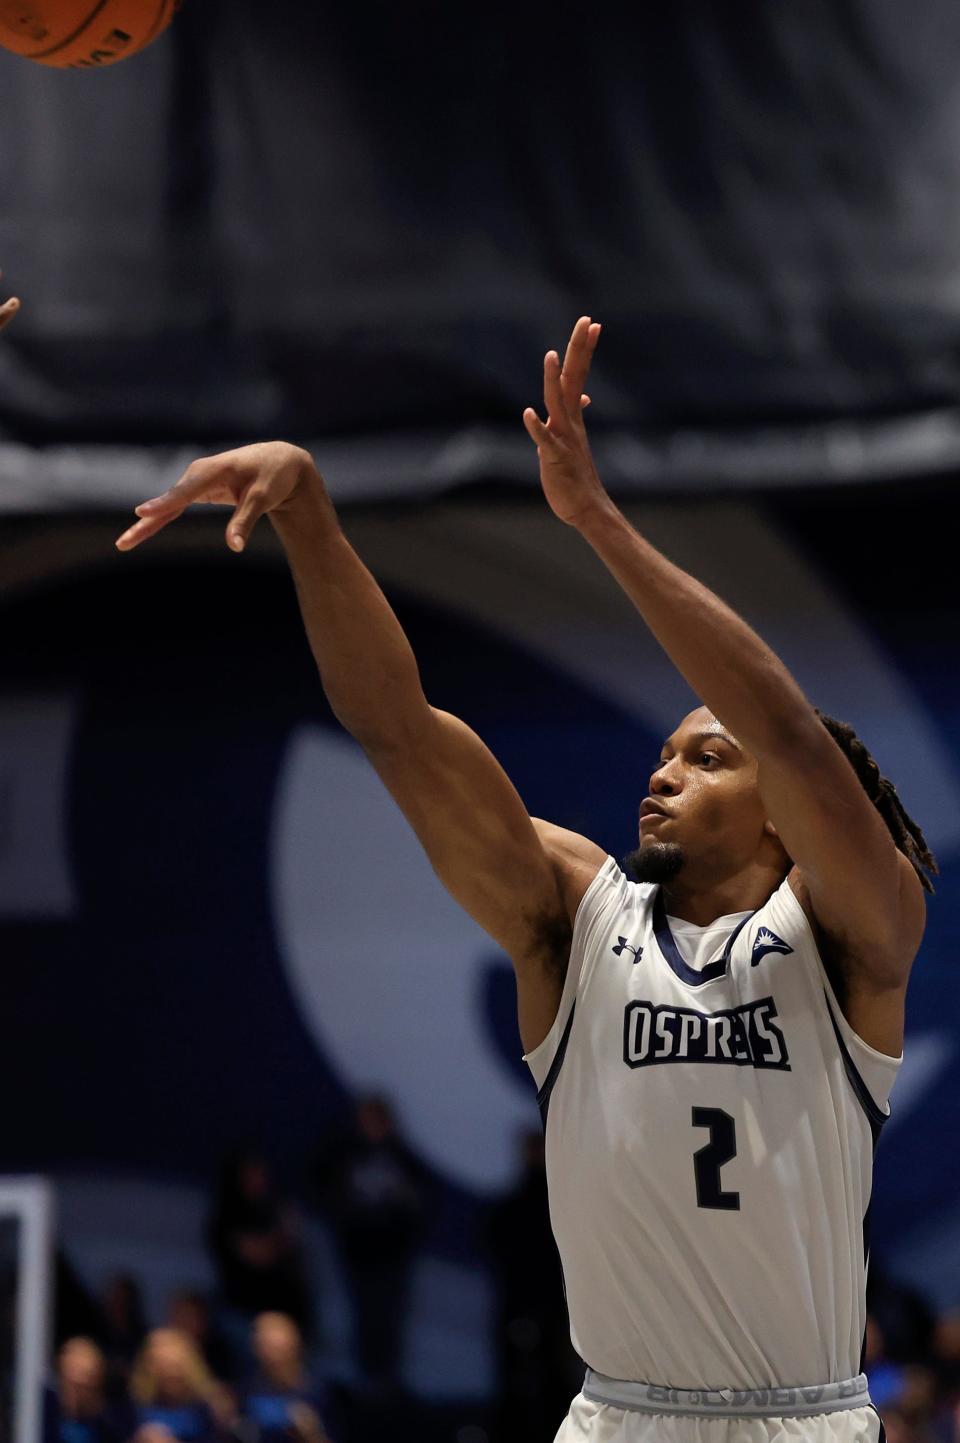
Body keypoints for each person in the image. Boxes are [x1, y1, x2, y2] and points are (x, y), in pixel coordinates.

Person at [117, 317, 936, 1443]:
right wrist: (310, 516)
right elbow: (400, 732)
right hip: (615, 1418)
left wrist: (594, 521)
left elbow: (789, 734)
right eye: (662, 754)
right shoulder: (574, 911)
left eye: (705, 758)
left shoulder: (855, 933)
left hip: (805, 1419)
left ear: (788, 821)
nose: (663, 773)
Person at [314, 1094, 427, 1390]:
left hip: (392, 1254)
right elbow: (326, 1193)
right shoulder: (343, 1153)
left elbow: (420, 1202)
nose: (372, 1126)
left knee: (389, 1316)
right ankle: (364, 1380)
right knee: (361, 1315)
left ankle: (388, 1381)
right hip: (356, 1251)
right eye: (367, 1119)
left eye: (377, 1120)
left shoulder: (402, 1156)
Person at [239, 1311, 333, 1443]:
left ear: (295, 1343)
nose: (271, 1355)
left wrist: (311, 1434)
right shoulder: (245, 1388)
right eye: (262, 1342)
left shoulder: (322, 1390)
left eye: (276, 1347)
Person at [128, 1328, 232, 1441]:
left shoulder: (210, 1408)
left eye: (174, 1367)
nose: (169, 1375)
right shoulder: (134, 1409)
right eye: (162, 1367)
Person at [43, 1337, 132, 1443]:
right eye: (72, 1384)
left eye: (85, 1385)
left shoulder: (108, 1424)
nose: (77, 1392)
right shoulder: (43, 1413)